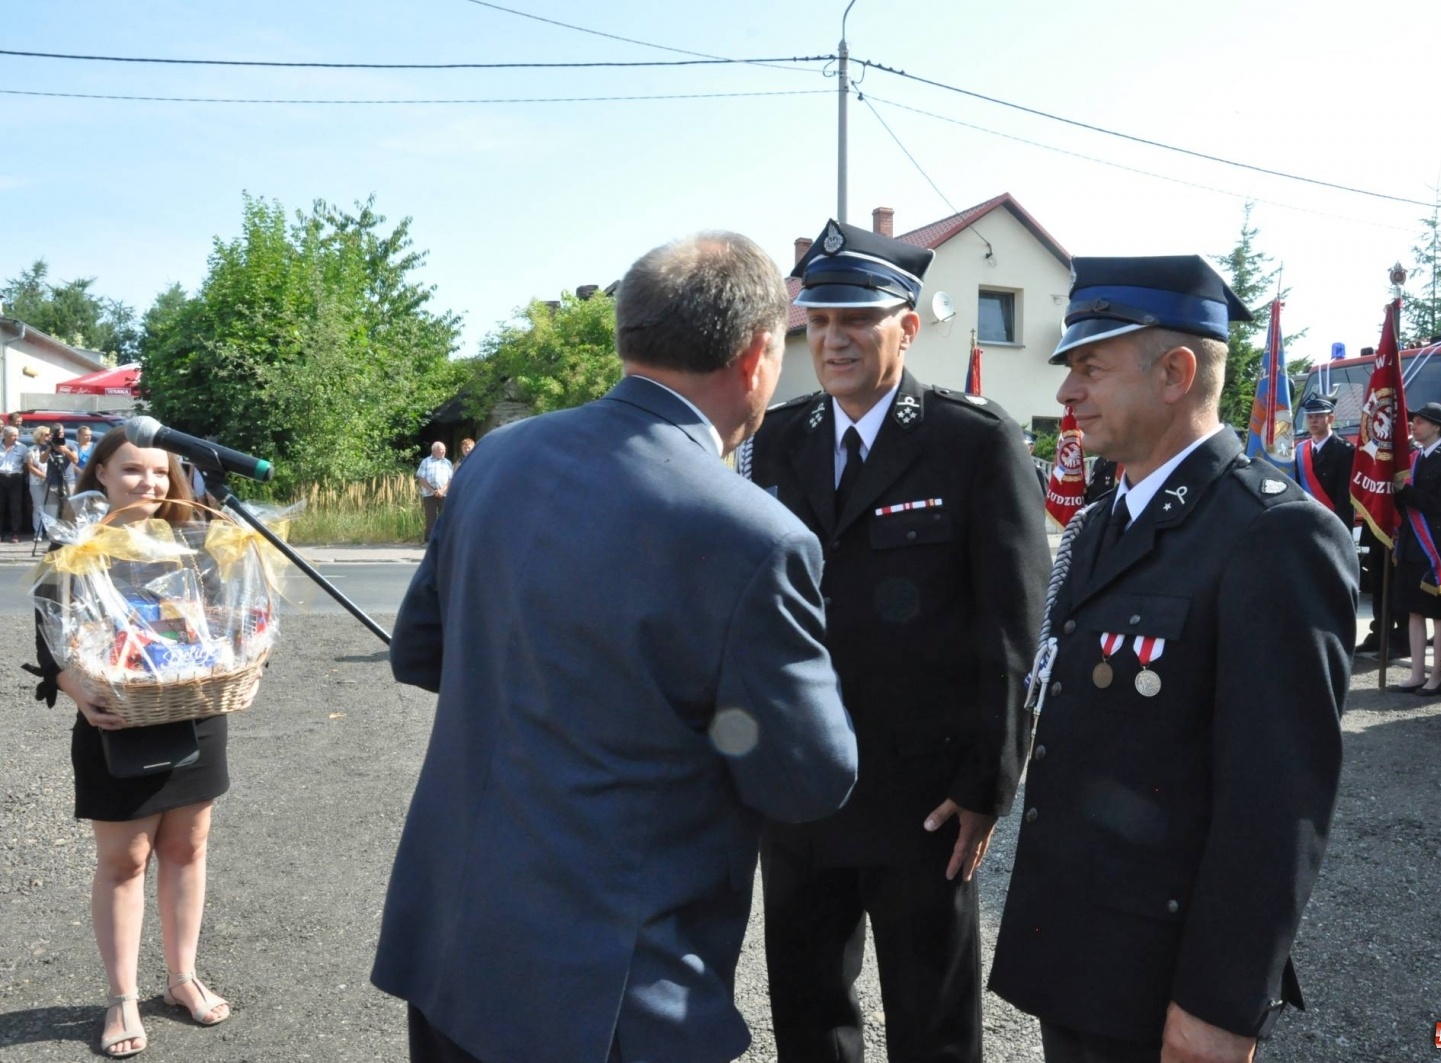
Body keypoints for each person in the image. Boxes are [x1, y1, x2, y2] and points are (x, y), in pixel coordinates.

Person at [373, 232, 858, 1063]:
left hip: (456, 943)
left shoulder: (497, 459)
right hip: (607, 992)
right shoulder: (753, 536)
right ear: (756, 356)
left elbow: (420, 650)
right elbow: (809, 776)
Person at [988, 255, 1357, 1063]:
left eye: (1089, 367)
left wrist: (1221, 1005)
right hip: (1079, 954)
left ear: (1176, 373)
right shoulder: (1100, 523)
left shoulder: (1272, 535)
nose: (1065, 393)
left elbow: (1278, 801)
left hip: (1163, 978)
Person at [743, 219, 1047, 1063]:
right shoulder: (778, 440)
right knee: (806, 1010)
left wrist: (988, 783)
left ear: (907, 328)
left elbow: (1012, 628)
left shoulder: (973, 442)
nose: (832, 339)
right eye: (820, 320)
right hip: (804, 784)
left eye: (856, 321)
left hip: (927, 796)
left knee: (933, 1018)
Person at [27, 427, 231, 1058]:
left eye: (162, 474)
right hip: (115, 721)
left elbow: (225, 631)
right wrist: (76, 687)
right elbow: (49, 646)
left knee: (188, 848)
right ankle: (121, 997)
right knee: (123, 862)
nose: (149, 483)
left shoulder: (195, 550)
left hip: (193, 713)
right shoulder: (75, 550)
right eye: (133, 471)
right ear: (102, 477)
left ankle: (182, 978)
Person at [1391, 403, 1441, 695]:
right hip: (1413, 542)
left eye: (1421, 422)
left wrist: (1404, 490)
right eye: (1414, 421)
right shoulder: (1415, 456)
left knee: (1438, 611)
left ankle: (1436, 676)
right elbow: (1406, 502)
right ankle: (1416, 673)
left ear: (1437, 427)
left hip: (1437, 543)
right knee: (1414, 610)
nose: (1414, 426)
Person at [1294, 394, 1356, 530]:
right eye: (1310, 417)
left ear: (1331, 418)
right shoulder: (1300, 450)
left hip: (1331, 523)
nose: (1313, 421)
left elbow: (1345, 499)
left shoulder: (1345, 451)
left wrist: (1341, 532)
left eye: (1319, 416)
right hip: (1305, 521)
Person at [414, 441, 452, 543]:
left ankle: (443, 540)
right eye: (441, 450)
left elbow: (450, 479)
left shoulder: (447, 463)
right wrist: (432, 490)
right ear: (434, 451)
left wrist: (442, 490)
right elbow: (421, 478)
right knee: (430, 517)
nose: (443, 452)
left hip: (444, 494)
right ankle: (429, 540)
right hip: (429, 494)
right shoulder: (426, 462)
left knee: (444, 517)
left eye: (444, 450)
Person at [1, 425, 31, 541]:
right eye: (13, 435)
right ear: (5, 436)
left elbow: (25, 465)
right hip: (1, 477)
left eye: (17, 435)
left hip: (15, 478)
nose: (16, 438)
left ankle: (15, 533)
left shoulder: (22, 447)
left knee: (15, 507)